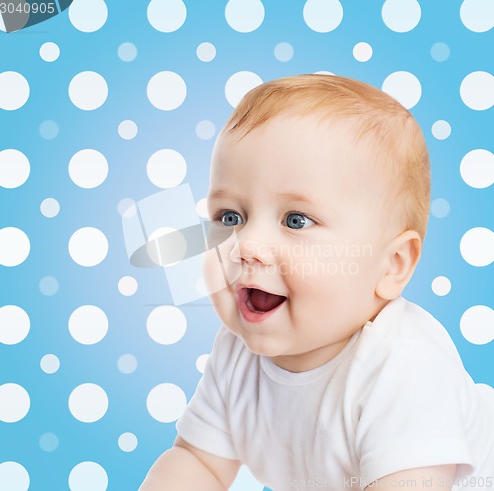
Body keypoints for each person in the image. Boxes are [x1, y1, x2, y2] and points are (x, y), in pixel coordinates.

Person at [139, 74, 494, 490]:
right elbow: (198, 461)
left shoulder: (405, 369)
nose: (245, 245)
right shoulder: (236, 354)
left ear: (392, 265)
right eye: (230, 218)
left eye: (296, 220)